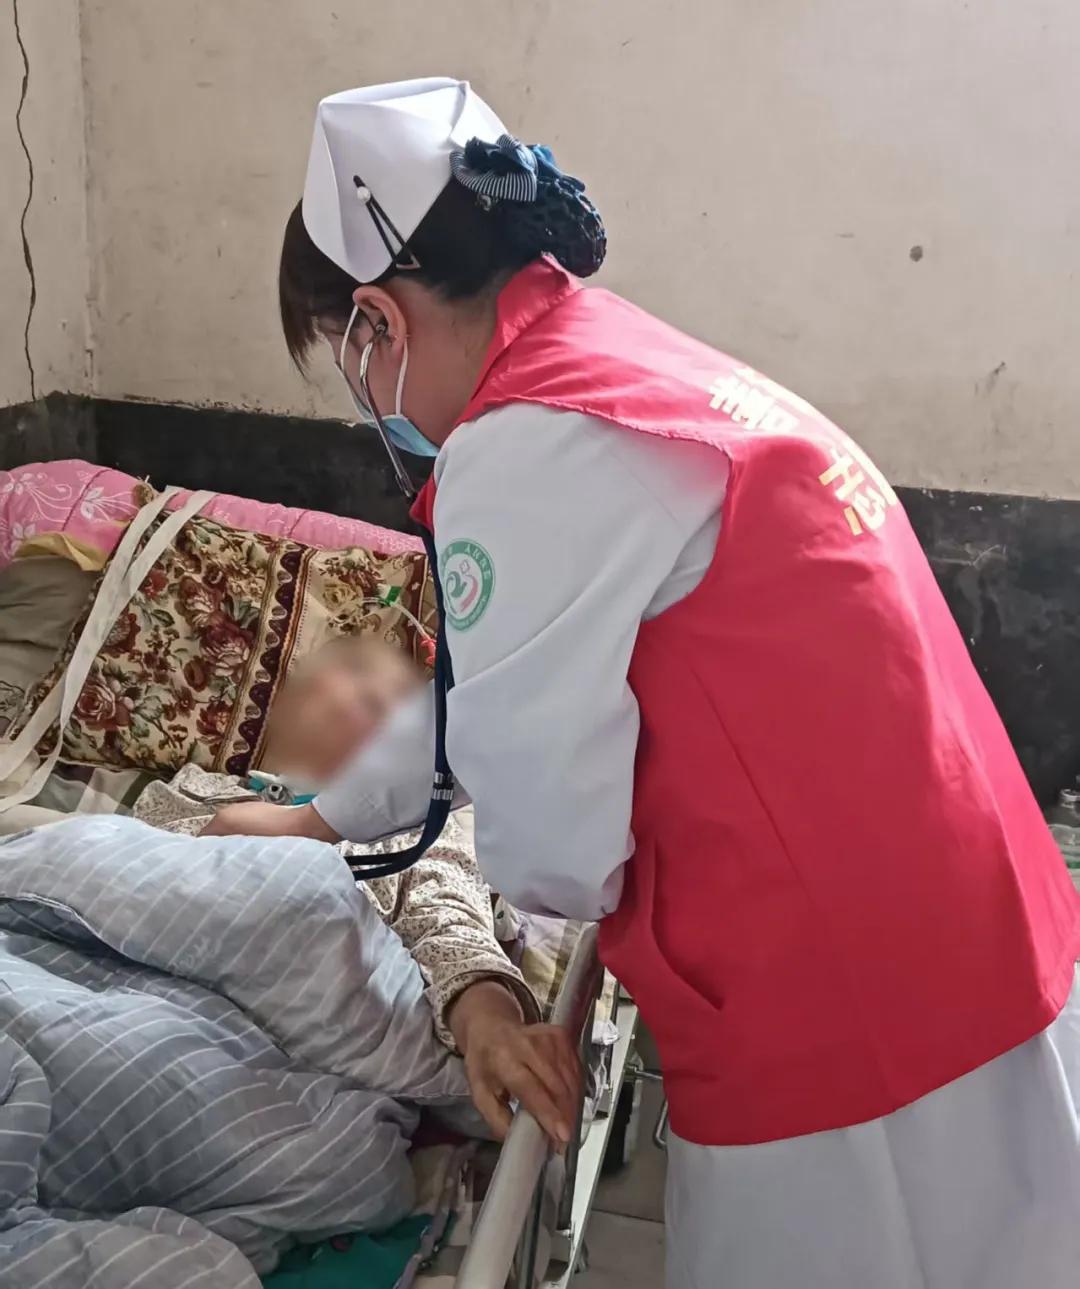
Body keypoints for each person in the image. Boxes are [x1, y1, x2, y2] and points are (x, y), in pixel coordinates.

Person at [210, 78, 1080, 1288]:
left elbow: (557, 856)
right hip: (974, 916)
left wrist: (478, 931)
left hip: (846, 1001)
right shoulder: (617, 364)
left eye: (342, 358)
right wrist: (321, 817)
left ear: (374, 325)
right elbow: (480, 692)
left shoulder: (523, 448)